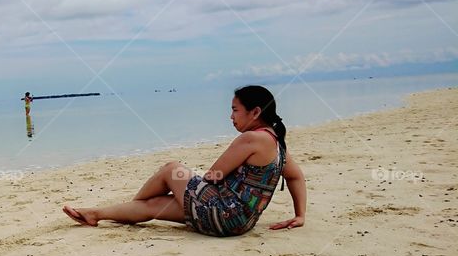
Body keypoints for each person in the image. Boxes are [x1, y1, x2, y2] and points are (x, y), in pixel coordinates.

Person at [62, 85, 306, 237]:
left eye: (235, 110)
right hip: (241, 222)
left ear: (255, 112)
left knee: (171, 169)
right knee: (155, 205)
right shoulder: (276, 143)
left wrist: (187, 178)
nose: (230, 116)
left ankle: (131, 206)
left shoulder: (252, 139)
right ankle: (96, 214)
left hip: (223, 215)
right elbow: (295, 176)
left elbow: (213, 176)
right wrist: (300, 215)